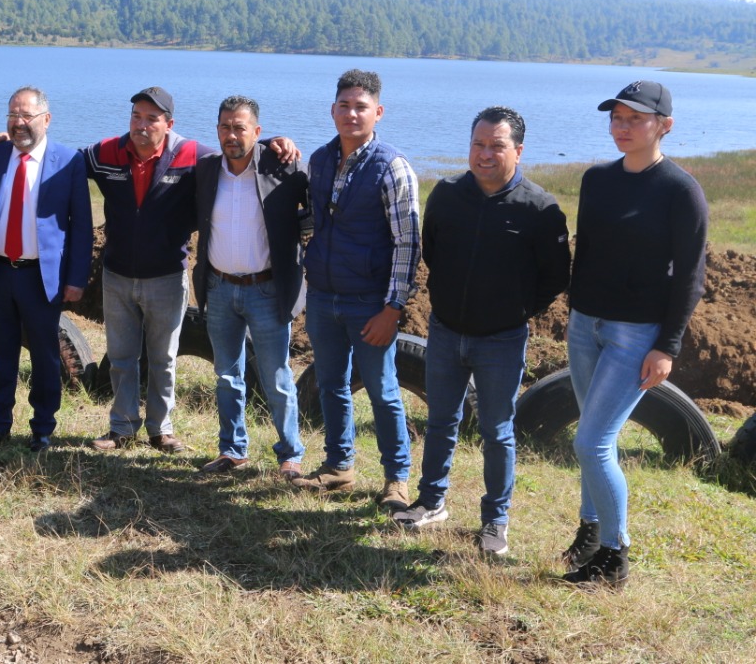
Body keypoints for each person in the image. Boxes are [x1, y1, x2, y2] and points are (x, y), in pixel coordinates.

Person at [392, 106, 570, 555]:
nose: (485, 154)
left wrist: (516, 309)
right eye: (478, 144)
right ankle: (430, 503)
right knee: (439, 421)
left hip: (503, 338)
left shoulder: (540, 208)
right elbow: (431, 248)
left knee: (497, 430)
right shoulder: (448, 194)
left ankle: (495, 522)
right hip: (446, 329)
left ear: (519, 151)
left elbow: (554, 277)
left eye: (497, 145)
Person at [560, 81, 707, 587]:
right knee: (591, 437)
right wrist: (574, 313)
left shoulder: (680, 190)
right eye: (616, 118)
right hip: (585, 327)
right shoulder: (596, 179)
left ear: (664, 125)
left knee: (592, 441)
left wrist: (667, 347)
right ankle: (591, 529)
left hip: (635, 336)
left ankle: (614, 557)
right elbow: (589, 253)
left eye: (635, 119)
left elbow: (691, 276)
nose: (622, 127)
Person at [291, 69, 420, 513]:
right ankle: (338, 465)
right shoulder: (321, 160)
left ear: (377, 112)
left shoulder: (392, 165)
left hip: (370, 302)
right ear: (332, 110)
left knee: (383, 391)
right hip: (324, 297)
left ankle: (396, 478)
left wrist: (394, 307)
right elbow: (312, 220)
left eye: (360, 106)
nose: (351, 113)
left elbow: (407, 243)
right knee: (331, 384)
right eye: (344, 105)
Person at [0, 86, 93, 452]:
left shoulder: (68, 161)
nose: (18, 123)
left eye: (26, 116)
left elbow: (81, 225)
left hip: (42, 278)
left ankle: (42, 430)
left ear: (46, 119)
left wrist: (76, 279)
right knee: (2, 354)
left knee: (45, 356)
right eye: (12, 115)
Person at [194, 96, 309, 478]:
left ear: (256, 132)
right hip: (220, 288)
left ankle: (290, 456)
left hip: (267, 290)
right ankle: (232, 450)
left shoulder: (283, 168)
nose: (231, 134)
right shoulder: (207, 170)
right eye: (225, 126)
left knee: (277, 378)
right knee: (226, 376)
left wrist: (283, 140)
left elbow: (313, 207)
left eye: (240, 127)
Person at [85, 87, 202, 454]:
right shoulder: (106, 152)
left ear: (169, 124)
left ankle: (160, 429)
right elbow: (56, 161)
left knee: (164, 359)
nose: (142, 124)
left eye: (152, 118)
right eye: (136, 116)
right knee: (121, 356)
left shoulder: (191, 154)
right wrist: (9, 142)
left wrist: (279, 142)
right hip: (117, 274)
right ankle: (121, 427)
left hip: (167, 276)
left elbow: (240, 154)